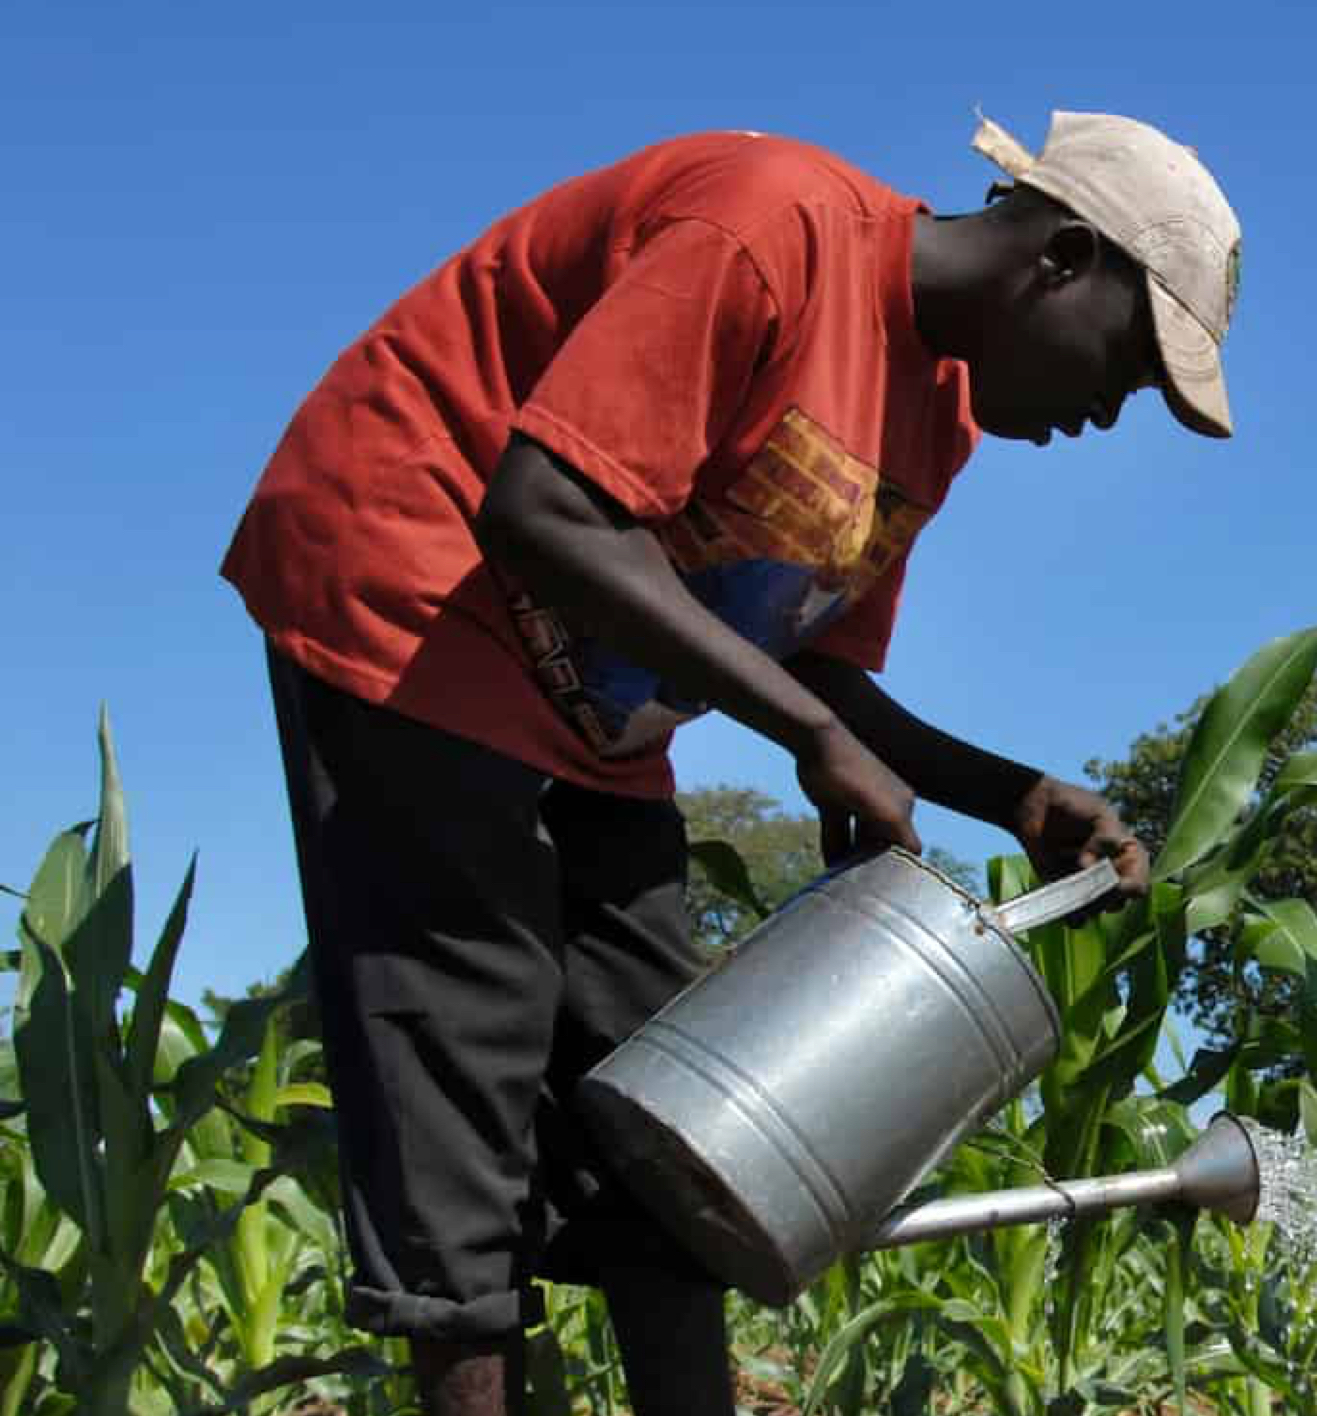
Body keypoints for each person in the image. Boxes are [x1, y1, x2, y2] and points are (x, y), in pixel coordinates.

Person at [219, 110, 1241, 1416]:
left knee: (685, 1110)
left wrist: (1006, 792)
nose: (1113, 410)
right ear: (1062, 257)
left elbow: (808, 664)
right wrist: (809, 742)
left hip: (602, 700)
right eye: (1132, 364)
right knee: (464, 1055)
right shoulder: (770, 226)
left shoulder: (933, 422)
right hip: (421, 590)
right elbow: (540, 510)